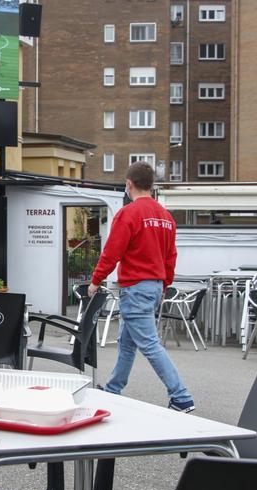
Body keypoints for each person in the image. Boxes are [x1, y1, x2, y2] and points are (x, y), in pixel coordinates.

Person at [87, 161, 195, 413]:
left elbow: (112, 252)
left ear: (129, 184)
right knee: (127, 342)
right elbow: (171, 257)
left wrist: (95, 280)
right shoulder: (166, 217)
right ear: (152, 185)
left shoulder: (128, 214)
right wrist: (164, 283)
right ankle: (113, 389)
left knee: (149, 344)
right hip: (155, 286)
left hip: (135, 287)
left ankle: (181, 396)